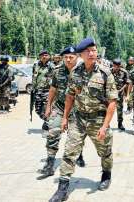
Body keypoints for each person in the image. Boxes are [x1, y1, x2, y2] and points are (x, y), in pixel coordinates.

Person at [49, 38, 117, 202]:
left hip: (98, 119)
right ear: (81, 54)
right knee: (69, 151)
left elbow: (112, 102)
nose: (92, 53)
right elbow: (70, 96)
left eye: (94, 50)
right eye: (88, 51)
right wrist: (65, 117)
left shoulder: (105, 73)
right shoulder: (75, 72)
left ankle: (106, 174)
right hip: (78, 119)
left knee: (105, 151)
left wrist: (105, 126)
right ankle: (62, 188)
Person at [37, 46, 85, 180]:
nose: (68, 60)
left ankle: (79, 154)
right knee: (52, 132)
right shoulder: (58, 71)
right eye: (66, 57)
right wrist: (48, 106)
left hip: (76, 109)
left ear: (77, 57)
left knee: (75, 137)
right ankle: (50, 164)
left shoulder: (84, 71)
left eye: (71, 57)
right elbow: (53, 89)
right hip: (59, 107)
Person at [32, 50, 54, 131]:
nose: (44, 57)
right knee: (37, 109)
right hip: (38, 91)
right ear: (39, 57)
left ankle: (48, 123)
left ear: (48, 56)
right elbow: (34, 77)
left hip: (47, 91)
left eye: (46, 55)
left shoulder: (52, 66)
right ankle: (47, 120)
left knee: (46, 108)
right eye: (42, 55)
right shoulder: (36, 65)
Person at [111, 58, 129, 131]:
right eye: (115, 66)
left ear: (120, 66)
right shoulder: (109, 71)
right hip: (110, 94)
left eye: (118, 66)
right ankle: (106, 124)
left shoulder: (124, 72)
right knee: (108, 108)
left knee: (119, 109)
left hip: (119, 94)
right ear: (113, 65)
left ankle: (120, 123)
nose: (116, 68)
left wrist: (121, 90)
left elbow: (127, 83)